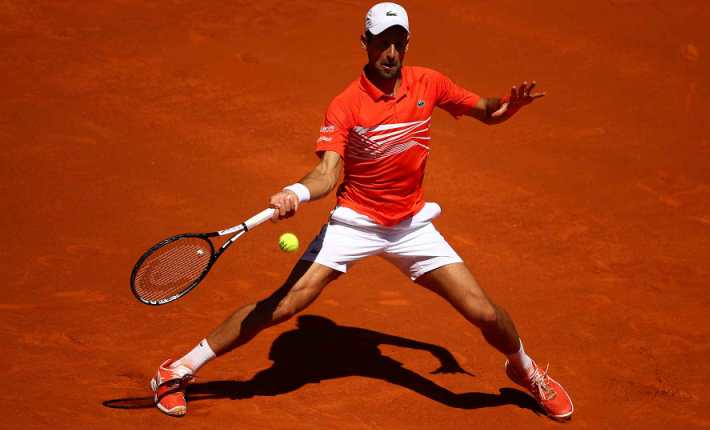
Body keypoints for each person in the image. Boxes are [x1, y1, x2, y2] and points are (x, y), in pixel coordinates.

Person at [151, 2, 574, 420]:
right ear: (365, 44)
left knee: (482, 311)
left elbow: (487, 110)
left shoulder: (428, 83)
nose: (390, 53)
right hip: (356, 222)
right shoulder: (346, 105)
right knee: (283, 305)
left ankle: (524, 369)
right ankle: (178, 369)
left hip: (410, 224)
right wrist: (295, 191)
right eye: (381, 44)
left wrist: (509, 105)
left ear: (407, 43)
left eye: (398, 43)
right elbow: (327, 172)